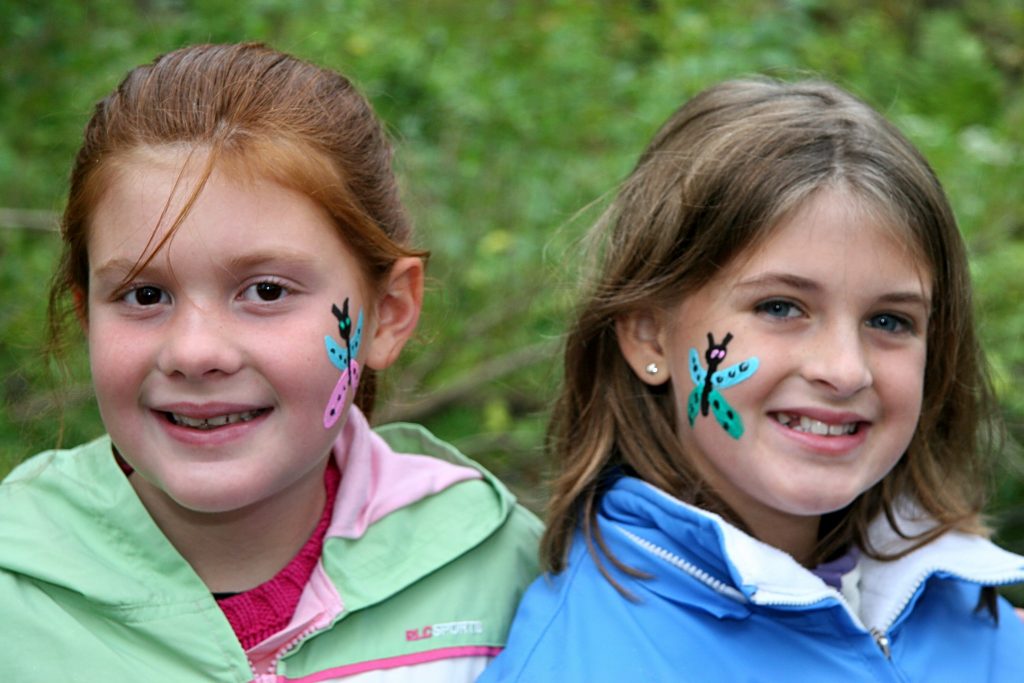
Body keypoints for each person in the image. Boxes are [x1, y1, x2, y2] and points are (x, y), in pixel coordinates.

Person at [0, 43, 540, 682]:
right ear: (87, 316)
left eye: (266, 291)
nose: (196, 352)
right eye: (146, 295)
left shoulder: (505, 577)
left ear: (389, 312)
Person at [479, 78, 1024, 681]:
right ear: (649, 335)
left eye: (889, 320)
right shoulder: (584, 664)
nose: (844, 370)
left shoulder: (970, 615)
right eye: (780, 308)